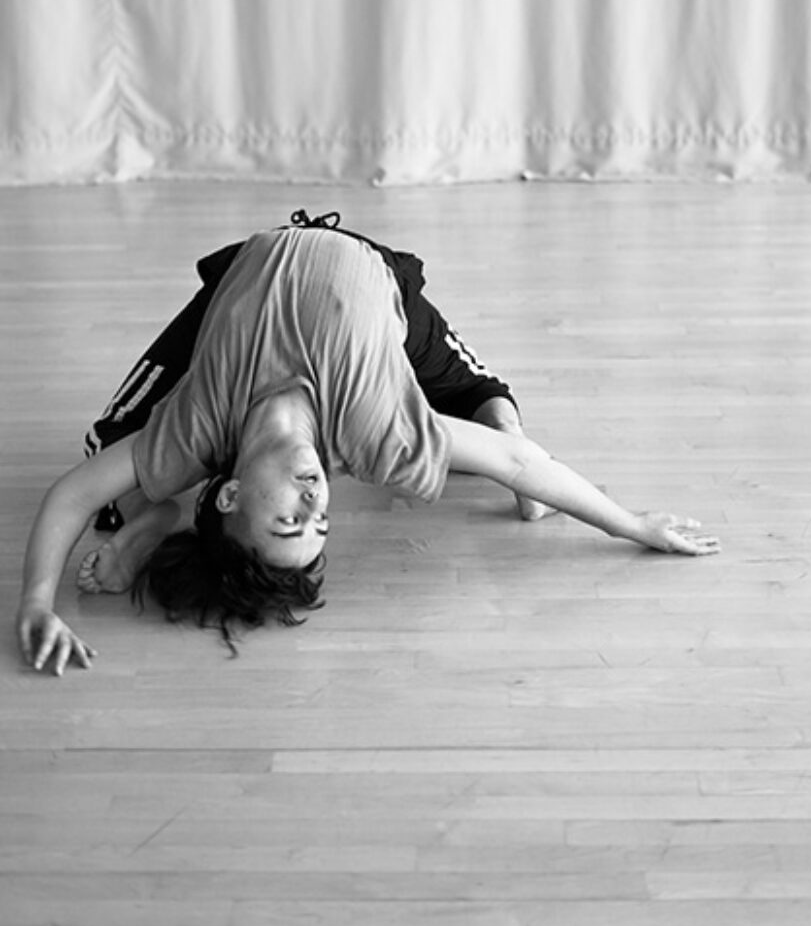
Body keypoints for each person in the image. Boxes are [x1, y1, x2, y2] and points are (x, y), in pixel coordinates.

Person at [16, 210, 720, 676]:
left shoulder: (196, 428)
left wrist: (37, 602)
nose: (315, 502)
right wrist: (632, 526)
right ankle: (495, 423)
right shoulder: (378, 432)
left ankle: (155, 511)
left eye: (288, 519)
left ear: (228, 493)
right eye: (321, 522)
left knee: (107, 448)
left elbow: (71, 494)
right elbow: (518, 461)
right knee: (488, 411)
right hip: (373, 278)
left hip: (239, 281)